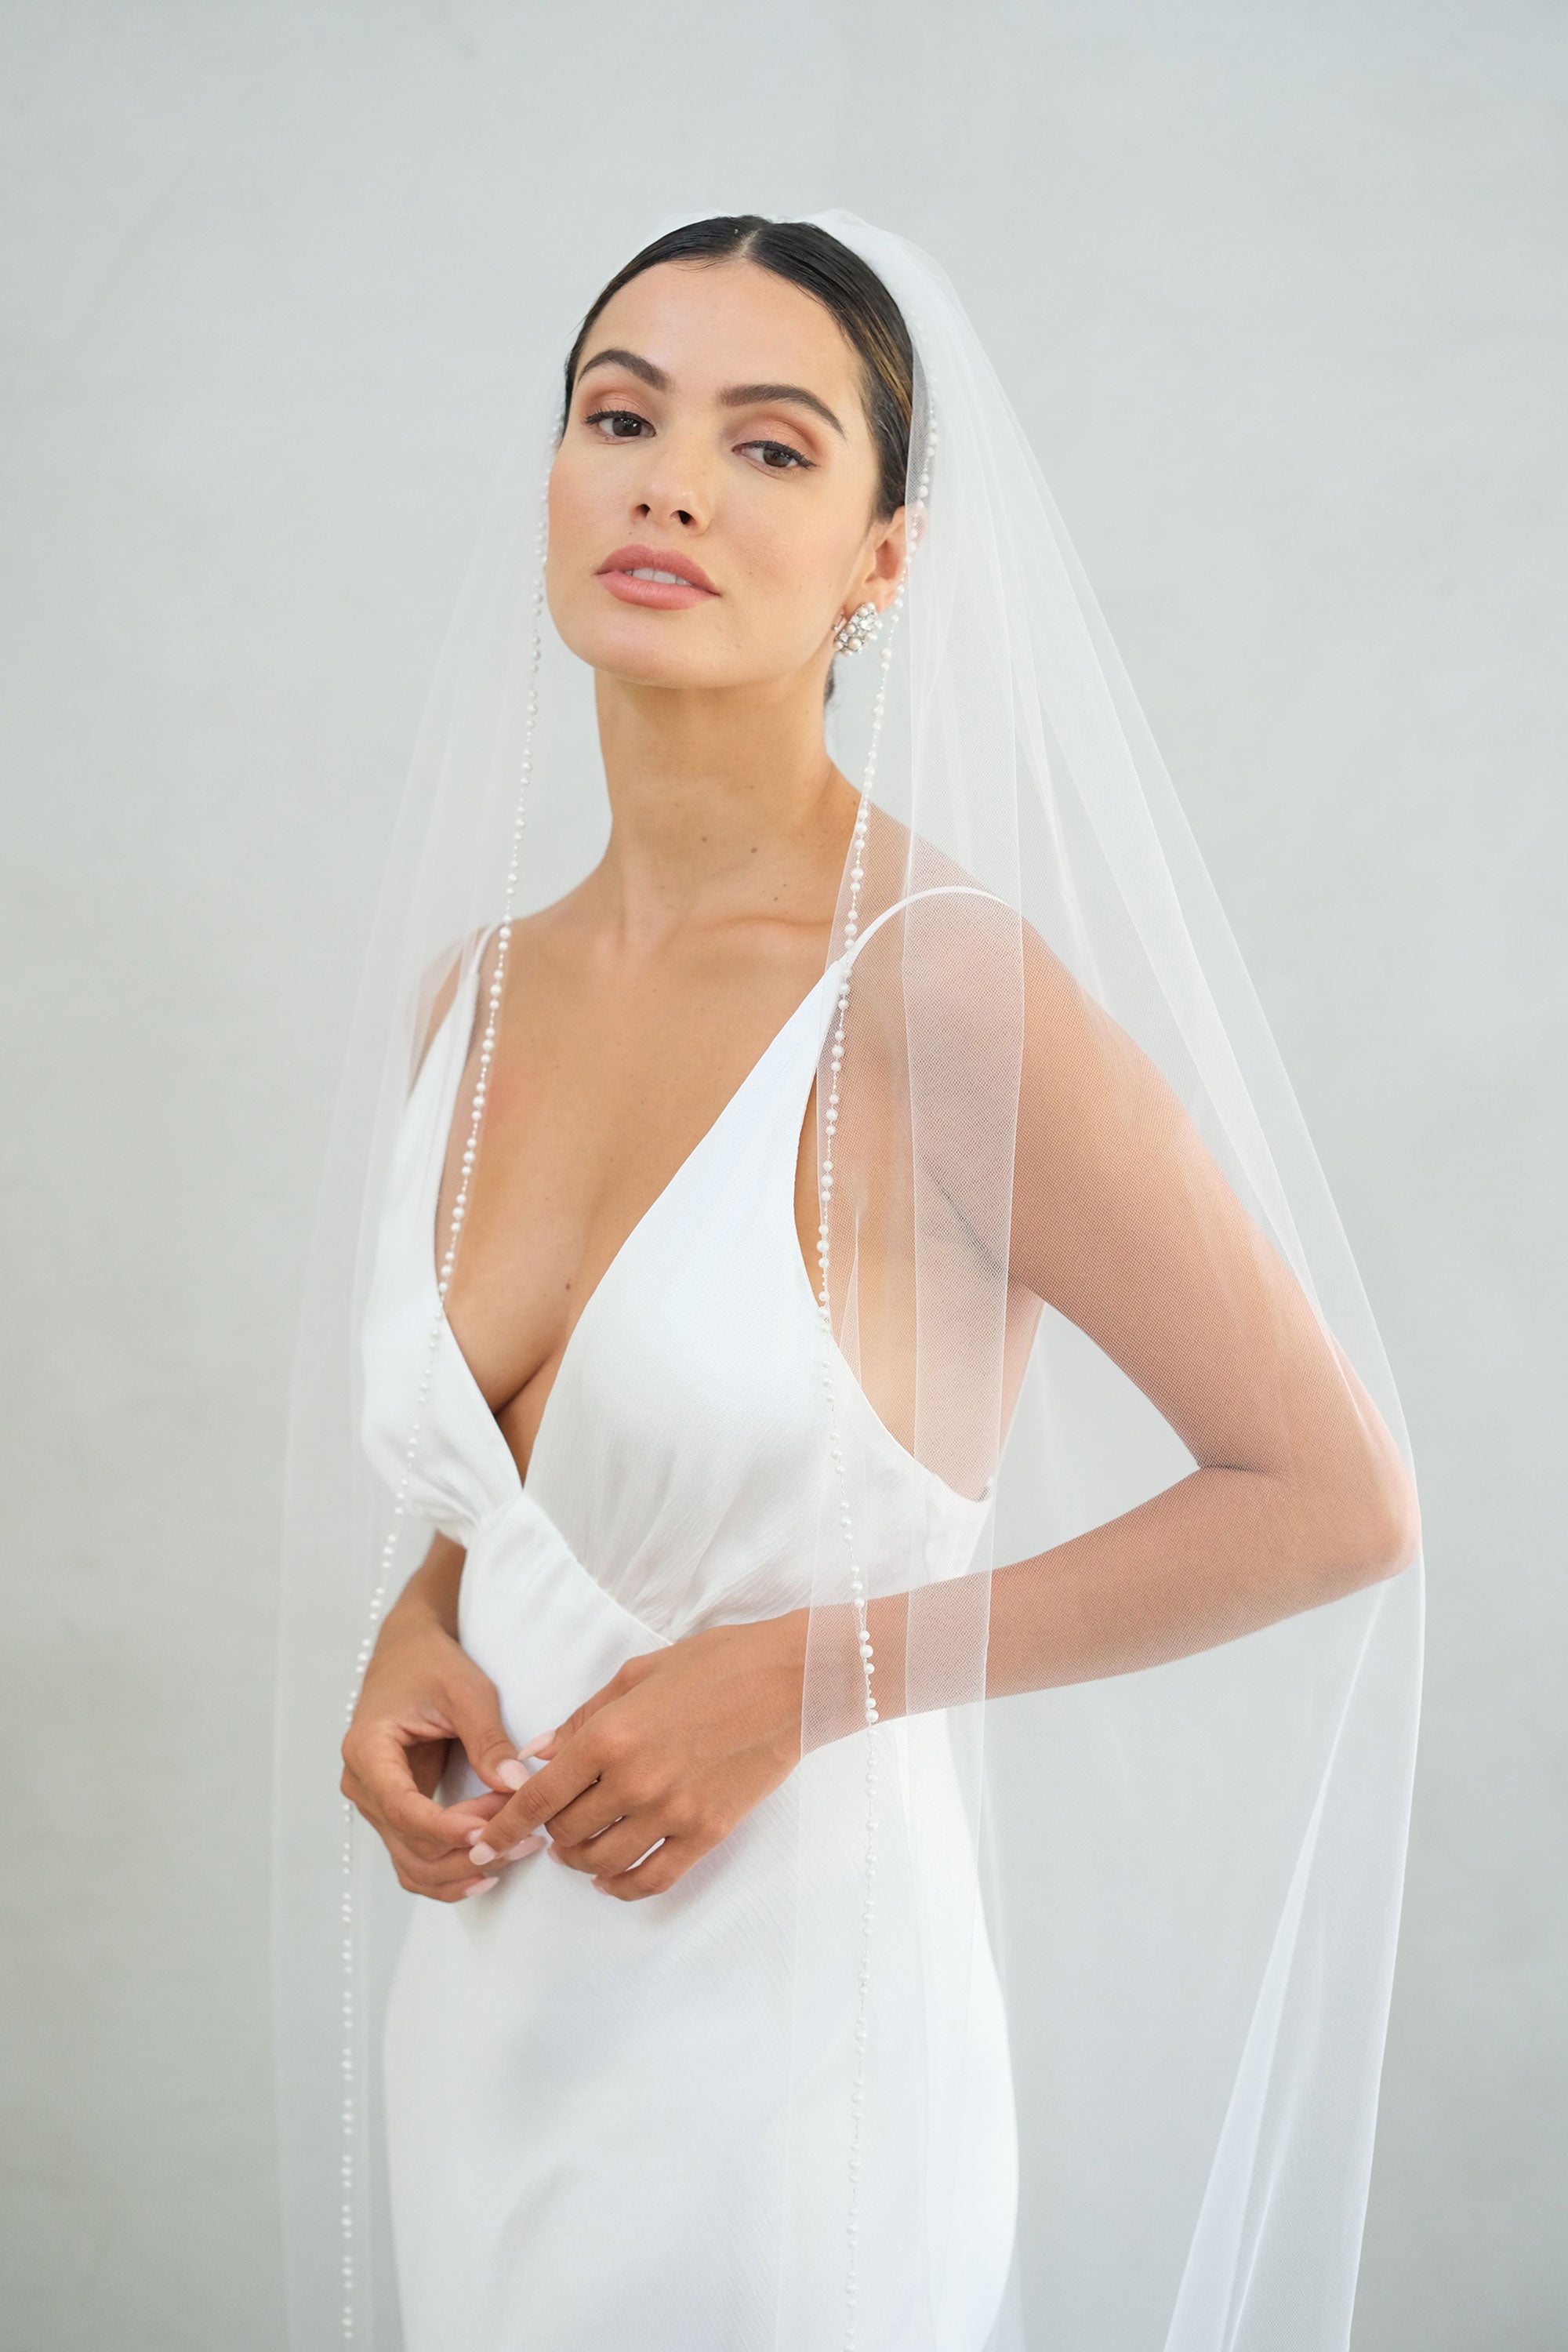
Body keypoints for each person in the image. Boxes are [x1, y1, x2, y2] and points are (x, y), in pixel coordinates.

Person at [276, 212, 1424, 2352]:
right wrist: (420, 1620)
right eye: (620, 415)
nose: (671, 482)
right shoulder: (477, 999)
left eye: (772, 447)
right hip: (497, 2018)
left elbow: (1334, 1498)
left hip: (794, 2067)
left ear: (886, 561)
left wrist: (813, 1681)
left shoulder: (940, 996)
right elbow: (543, 1486)